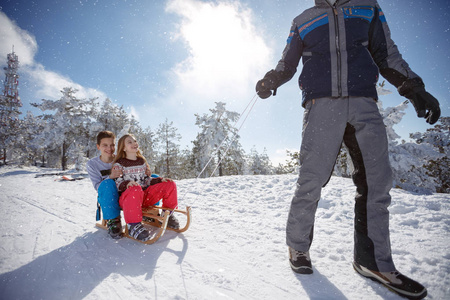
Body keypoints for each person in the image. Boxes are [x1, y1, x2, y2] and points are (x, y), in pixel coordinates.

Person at [255, 0, 440, 299]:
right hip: (321, 104)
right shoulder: (303, 19)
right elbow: (287, 63)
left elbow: (386, 52)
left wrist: (413, 87)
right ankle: (298, 248)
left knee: (376, 183)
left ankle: (373, 262)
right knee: (311, 179)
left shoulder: (367, 7)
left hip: (363, 102)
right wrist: (272, 79)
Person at [112, 134, 180, 241]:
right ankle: (133, 225)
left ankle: (167, 214)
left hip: (144, 197)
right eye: (129, 142)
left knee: (170, 184)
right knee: (135, 188)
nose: (134, 143)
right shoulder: (119, 164)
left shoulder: (141, 162)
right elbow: (117, 182)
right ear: (123, 148)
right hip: (129, 200)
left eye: (134, 141)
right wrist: (127, 184)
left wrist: (159, 180)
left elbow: (146, 180)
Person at [86, 131, 123, 239]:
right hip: (107, 196)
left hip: (124, 193)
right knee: (107, 184)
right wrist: (110, 177)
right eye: (105, 145)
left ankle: (150, 211)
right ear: (98, 147)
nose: (109, 148)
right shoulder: (92, 164)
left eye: (112, 145)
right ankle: (113, 219)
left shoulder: (120, 160)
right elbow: (98, 187)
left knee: (151, 177)